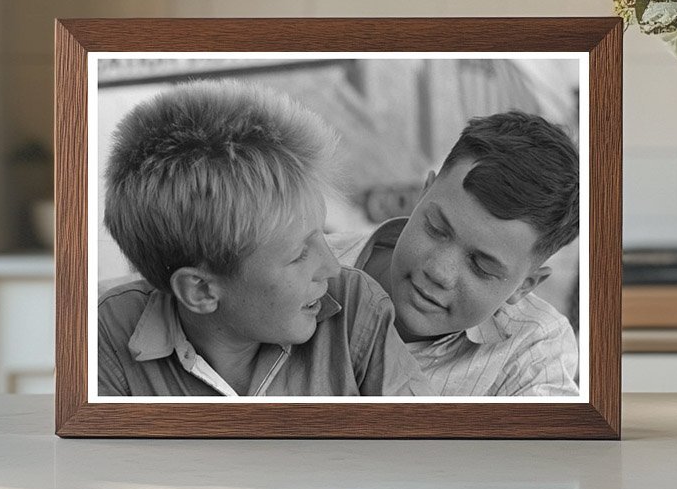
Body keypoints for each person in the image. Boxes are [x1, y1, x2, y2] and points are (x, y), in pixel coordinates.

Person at [98, 79, 434, 397]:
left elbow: (424, 448)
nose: (332, 266)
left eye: (321, 234)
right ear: (200, 290)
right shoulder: (105, 337)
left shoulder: (356, 309)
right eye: (299, 254)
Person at [329, 112, 580, 397]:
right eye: (436, 228)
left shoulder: (533, 350)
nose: (438, 271)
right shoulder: (303, 266)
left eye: (481, 267)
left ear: (525, 285)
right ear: (423, 193)